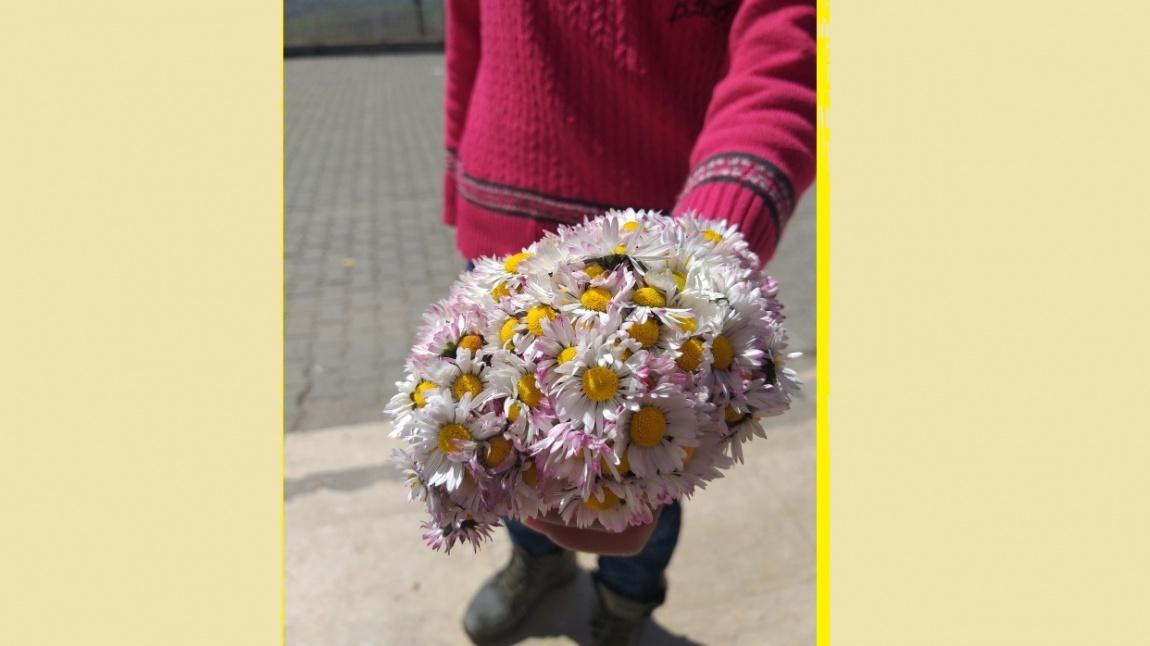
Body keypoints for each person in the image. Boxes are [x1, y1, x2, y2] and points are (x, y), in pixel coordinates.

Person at [442, 2, 815, 644]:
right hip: (500, 230)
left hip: (657, 241)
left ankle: (625, 603)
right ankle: (539, 564)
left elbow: (789, 48)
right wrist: (458, 184)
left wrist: (696, 257)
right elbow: (468, 28)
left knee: (649, 474)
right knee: (500, 447)